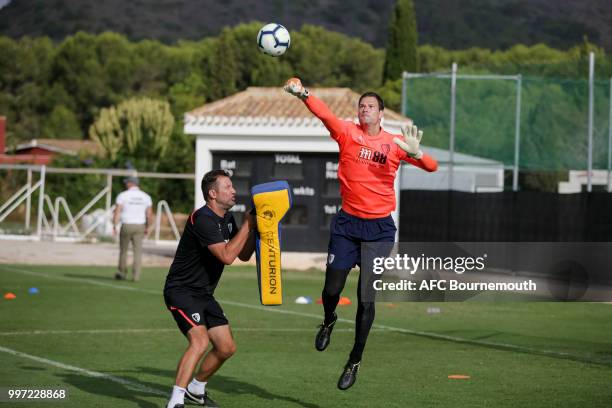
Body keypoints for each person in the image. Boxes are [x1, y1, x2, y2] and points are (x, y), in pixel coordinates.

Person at [284, 78, 438, 390]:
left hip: (379, 230)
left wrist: (418, 153)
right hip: (347, 226)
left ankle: (355, 359)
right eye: (361, 106)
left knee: (366, 298)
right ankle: (328, 321)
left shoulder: (396, 144)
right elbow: (325, 115)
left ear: (381, 114)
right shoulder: (347, 133)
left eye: (370, 106)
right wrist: (303, 93)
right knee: (331, 289)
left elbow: (432, 167)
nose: (364, 109)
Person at [163, 169, 256, 408]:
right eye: (228, 187)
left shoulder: (227, 219)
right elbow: (226, 256)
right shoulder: (202, 218)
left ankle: (197, 388)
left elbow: (243, 255)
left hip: (204, 294)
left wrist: (256, 229)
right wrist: (248, 224)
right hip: (181, 291)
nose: (234, 191)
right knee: (200, 342)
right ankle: (175, 401)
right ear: (213, 194)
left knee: (226, 348)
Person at [113, 176, 153, 282]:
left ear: (131, 183)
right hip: (140, 225)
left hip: (126, 224)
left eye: (127, 182)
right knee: (138, 252)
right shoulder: (146, 196)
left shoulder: (123, 195)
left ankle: (122, 273)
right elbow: (149, 214)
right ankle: (136, 276)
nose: (126, 184)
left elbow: (117, 211)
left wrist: (114, 225)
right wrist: (148, 227)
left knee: (123, 251)